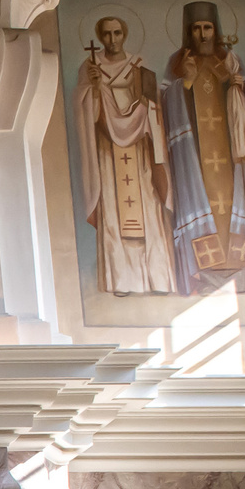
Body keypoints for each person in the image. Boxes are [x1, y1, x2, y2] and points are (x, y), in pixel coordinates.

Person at [160, 2, 245, 295]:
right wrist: (185, 83)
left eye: (208, 28)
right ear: (189, 32)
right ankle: (204, 271)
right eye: (197, 29)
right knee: (203, 201)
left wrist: (240, 87)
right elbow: (164, 104)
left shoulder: (231, 61)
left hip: (231, 156)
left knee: (234, 201)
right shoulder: (178, 63)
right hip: (195, 157)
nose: (203, 35)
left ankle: (244, 269)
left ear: (217, 30)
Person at [75, 15, 174, 295]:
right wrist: (91, 90)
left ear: (125, 35)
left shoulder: (138, 67)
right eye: (106, 34)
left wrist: (145, 108)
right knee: (115, 211)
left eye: (117, 33)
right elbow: (84, 112)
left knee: (146, 206)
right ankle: (121, 280)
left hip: (138, 150)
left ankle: (155, 278)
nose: (112, 39)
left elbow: (154, 106)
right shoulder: (91, 68)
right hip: (108, 151)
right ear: (100, 36)